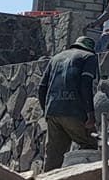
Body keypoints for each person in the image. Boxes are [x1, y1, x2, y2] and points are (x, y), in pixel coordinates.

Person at [37, 35, 100, 171]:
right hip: (74, 110)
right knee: (90, 144)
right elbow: (85, 84)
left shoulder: (55, 58)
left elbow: (42, 87)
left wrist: (46, 110)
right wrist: (90, 113)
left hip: (53, 111)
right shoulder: (88, 57)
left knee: (54, 155)